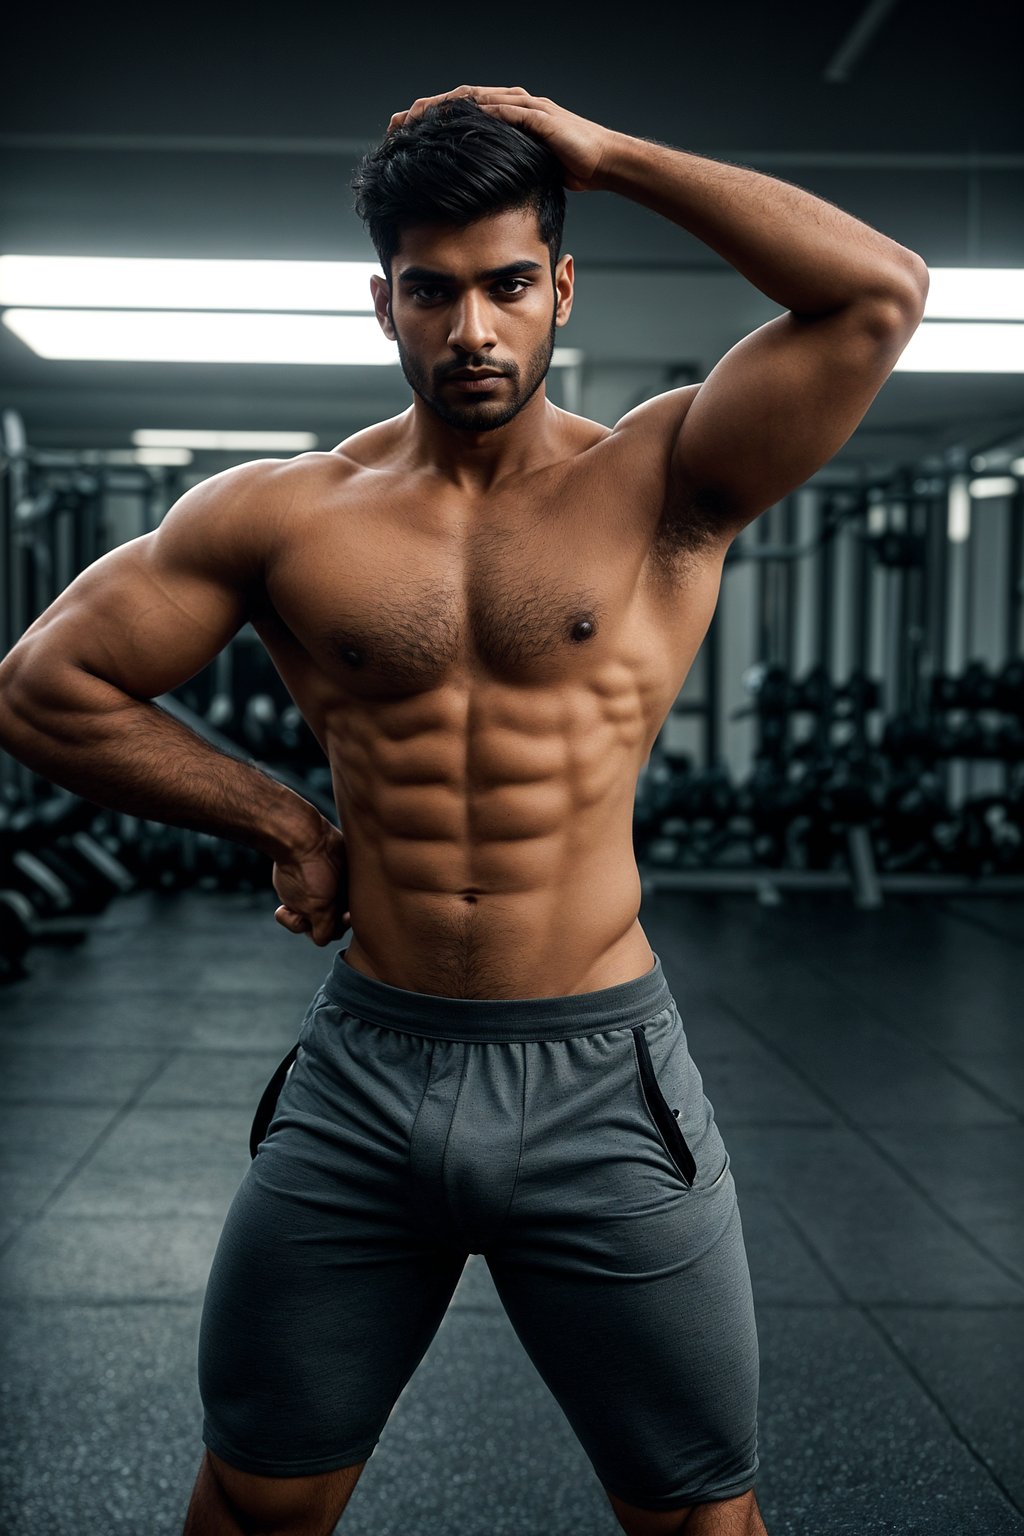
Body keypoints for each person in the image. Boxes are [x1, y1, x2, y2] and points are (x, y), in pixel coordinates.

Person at [0, 86, 927, 1536]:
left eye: (507, 285)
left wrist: (606, 155)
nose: (473, 331)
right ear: (384, 303)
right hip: (368, 1072)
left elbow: (878, 291)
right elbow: (44, 685)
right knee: (254, 1500)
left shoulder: (671, 473)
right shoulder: (288, 513)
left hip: (602, 1080)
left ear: (562, 283)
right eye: (433, 292)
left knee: (697, 1516)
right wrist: (288, 824)